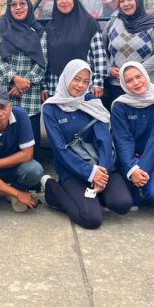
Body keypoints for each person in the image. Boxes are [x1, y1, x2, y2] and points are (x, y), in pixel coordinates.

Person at [42, 60, 132, 229]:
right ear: (67, 78)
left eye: (85, 81)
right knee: (91, 219)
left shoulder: (91, 102)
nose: (80, 86)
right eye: (76, 79)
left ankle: (92, 197)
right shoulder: (51, 108)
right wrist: (90, 173)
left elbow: (104, 140)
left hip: (100, 165)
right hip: (72, 169)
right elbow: (60, 150)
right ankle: (53, 191)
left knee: (122, 204)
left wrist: (102, 173)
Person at [110, 61, 154, 209]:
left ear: (146, 75)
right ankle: (138, 187)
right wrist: (132, 170)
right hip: (129, 160)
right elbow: (123, 141)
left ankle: (145, 186)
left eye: (138, 76)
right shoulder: (120, 105)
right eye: (129, 80)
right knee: (127, 201)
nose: (136, 82)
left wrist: (142, 172)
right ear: (123, 84)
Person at [0, 0, 47, 149]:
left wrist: (24, 83)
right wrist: (15, 79)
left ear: (29, 6)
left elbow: (42, 63)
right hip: (4, 93)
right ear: (9, 8)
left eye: (22, 3)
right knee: (6, 143)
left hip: (29, 95)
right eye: (13, 4)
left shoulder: (39, 31)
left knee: (30, 143)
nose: (18, 7)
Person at [104, 0, 154, 108]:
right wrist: (109, 69)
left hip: (149, 85)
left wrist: (135, 72)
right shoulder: (113, 23)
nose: (126, 4)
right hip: (118, 86)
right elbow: (103, 50)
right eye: (122, 1)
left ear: (139, 0)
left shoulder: (153, 25)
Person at [42, 0, 107, 100]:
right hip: (56, 86)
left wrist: (98, 82)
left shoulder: (89, 24)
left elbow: (99, 55)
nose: (64, 1)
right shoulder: (50, 27)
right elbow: (45, 60)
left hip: (84, 86)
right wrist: (44, 86)